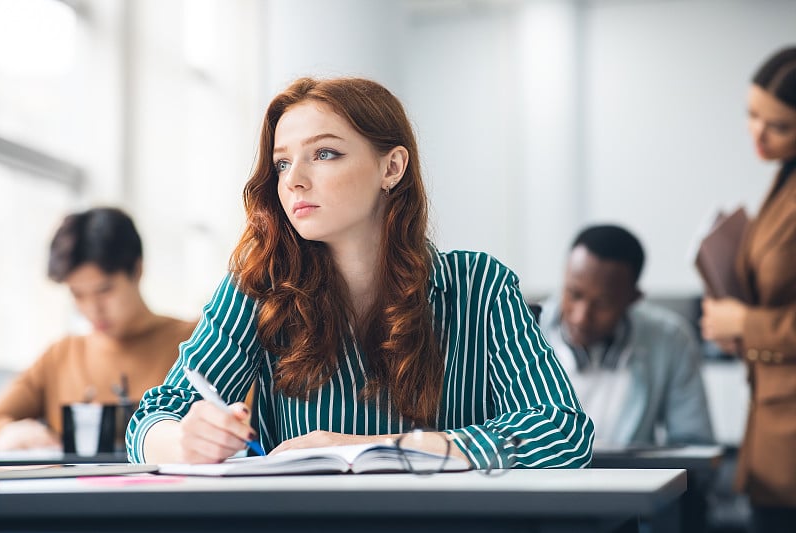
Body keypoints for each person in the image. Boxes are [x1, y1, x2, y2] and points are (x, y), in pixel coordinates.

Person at [127, 77, 594, 469]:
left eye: (324, 154)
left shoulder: (478, 285)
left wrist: (366, 450)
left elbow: (560, 431)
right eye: (282, 162)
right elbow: (154, 417)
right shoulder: (257, 288)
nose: (294, 180)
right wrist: (181, 439)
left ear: (392, 167)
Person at [0, 207, 197, 451]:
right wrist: (11, 432)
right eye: (78, 294)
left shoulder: (200, 341)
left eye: (104, 290)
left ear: (137, 270)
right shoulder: (60, 356)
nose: (93, 309)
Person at [700, 46, 796, 532]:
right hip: (773, 420)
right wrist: (735, 325)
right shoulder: (785, 176)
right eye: (752, 115)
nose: (757, 134)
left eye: (778, 125)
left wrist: (747, 323)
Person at [540, 224, 714, 448]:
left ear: (633, 298)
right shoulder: (515, 334)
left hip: (632, 483)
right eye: (574, 294)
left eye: (602, 303)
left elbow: (696, 448)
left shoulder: (670, 340)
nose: (581, 318)